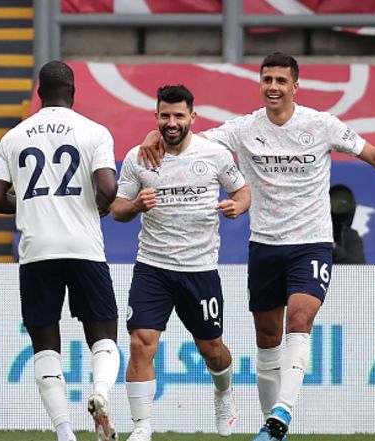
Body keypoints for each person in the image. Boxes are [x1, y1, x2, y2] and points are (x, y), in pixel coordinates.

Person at [138, 53, 375, 441]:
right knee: (267, 340)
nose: (273, 87)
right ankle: (272, 429)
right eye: (267, 79)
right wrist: (153, 135)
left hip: (311, 243)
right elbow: (187, 140)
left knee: (300, 318)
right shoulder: (243, 128)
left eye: (281, 80)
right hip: (265, 245)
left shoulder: (321, 124)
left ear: (295, 86)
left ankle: (282, 411)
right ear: (260, 84)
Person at [0, 60, 121, 441]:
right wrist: (99, 205)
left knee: (45, 345)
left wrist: (33, 203)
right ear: (73, 92)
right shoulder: (94, 132)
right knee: (103, 334)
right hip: (83, 248)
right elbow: (108, 189)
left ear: (39, 93)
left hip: (37, 252)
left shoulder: (13, 137)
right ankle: (100, 392)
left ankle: (64, 432)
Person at [111, 85, 251, 441]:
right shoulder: (138, 158)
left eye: (178, 116)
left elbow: (242, 190)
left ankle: (224, 392)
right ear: (156, 117)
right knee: (141, 342)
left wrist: (238, 206)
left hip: (199, 269)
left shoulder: (214, 154)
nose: (171, 123)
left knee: (212, 350)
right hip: (152, 267)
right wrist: (136, 206)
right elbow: (117, 209)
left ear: (192, 117)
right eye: (165, 116)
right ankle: (141, 426)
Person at [330, 184, 366, 264]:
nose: (340, 205)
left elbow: (358, 266)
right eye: (336, 200)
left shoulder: (350, 235)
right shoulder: (313, 234)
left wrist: (332, 246)